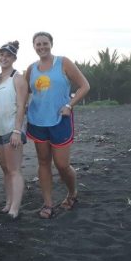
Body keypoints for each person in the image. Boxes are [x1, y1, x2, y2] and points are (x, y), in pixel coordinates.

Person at [26, 31, 90, 219]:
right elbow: (23, 90)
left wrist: (69, 105)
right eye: (38, 44)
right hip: (37, 121)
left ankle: (72, 193)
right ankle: (48, 203)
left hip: (60, 120)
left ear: (51, 44)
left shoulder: (63, 63)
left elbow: (85, 86)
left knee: (62, 165)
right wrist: (21, 107)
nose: (42, 47)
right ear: (34, 47)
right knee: (43, 162)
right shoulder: (31, 68)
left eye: (45, 43)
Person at [0, 41, 28, 220]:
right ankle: (8, 202)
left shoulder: (17, 78)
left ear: (14, 58)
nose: (4, 58)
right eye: (2, 55)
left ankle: (15, 207)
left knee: (14, 170)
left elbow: (21, 105)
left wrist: (17, 130)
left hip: (11, 129)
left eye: (8, 55)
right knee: (5, 169)